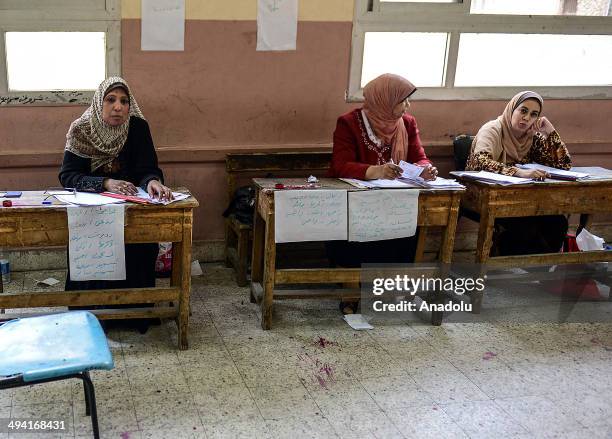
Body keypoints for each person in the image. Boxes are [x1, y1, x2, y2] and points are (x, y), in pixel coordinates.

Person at [59, 76, 173, 332]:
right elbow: (67, 176)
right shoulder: (81, 129)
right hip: (92, 213)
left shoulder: (138, 128)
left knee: (138, 250)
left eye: (124, 101)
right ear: (99, 103)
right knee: (95, 258)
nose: (118, 107)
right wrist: (106, 183)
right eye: (111, 100)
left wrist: (153, 181)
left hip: (132, 209)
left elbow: (148, 168)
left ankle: (135, 315)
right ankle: (92, 315)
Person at [328, 73, 436, 313]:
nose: (408, 106)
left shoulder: (407, 124)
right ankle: (350, 293)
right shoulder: (349, 123)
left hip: (395, 201)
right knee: (352, 234)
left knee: (409, 227)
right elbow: (339, 165)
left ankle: (395, 289)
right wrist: (375, 170)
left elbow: (419, 157)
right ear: (385, 99)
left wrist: (424, 170)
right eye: (403, 100)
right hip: (358, 202)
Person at [466, 90, 572, 256]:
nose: (527, 118)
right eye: (523, 111)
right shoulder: (492, 130)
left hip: (522, 200)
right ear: (512, 109)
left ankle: (537, 272)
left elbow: (563, 165)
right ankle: (508, 269)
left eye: (533, 114)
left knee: (557, 223)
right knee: (525, 227)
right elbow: (481, 162)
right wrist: (518, 172)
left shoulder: (532, 137)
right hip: (484, 197)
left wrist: (550, 132)